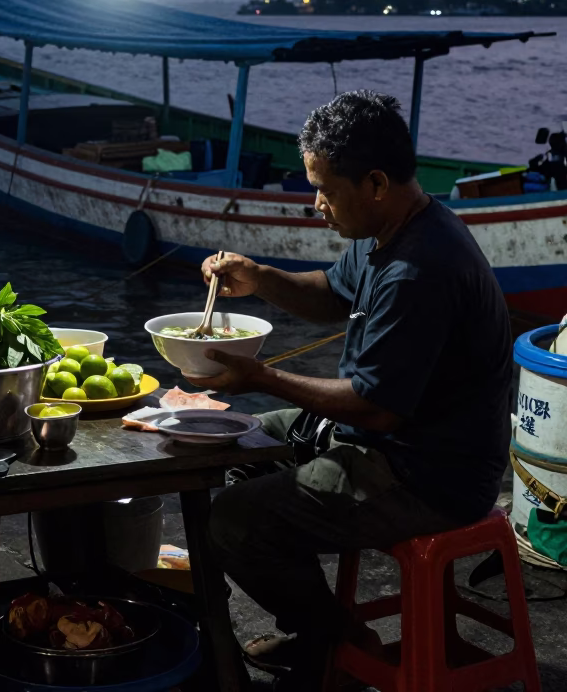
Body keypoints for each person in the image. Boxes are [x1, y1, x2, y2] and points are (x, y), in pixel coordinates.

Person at [189, 90, 513, 691]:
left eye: (327, 191)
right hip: (385, 438)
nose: (317, 205)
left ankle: (331, 641)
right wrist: (259, 278)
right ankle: (319, 623)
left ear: (377, 183)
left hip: (429, 474)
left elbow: (377, 407)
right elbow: (331, 295)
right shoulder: (385, 227)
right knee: (233, 442)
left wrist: (258, 376)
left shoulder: (420, 270)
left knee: (235, 520)